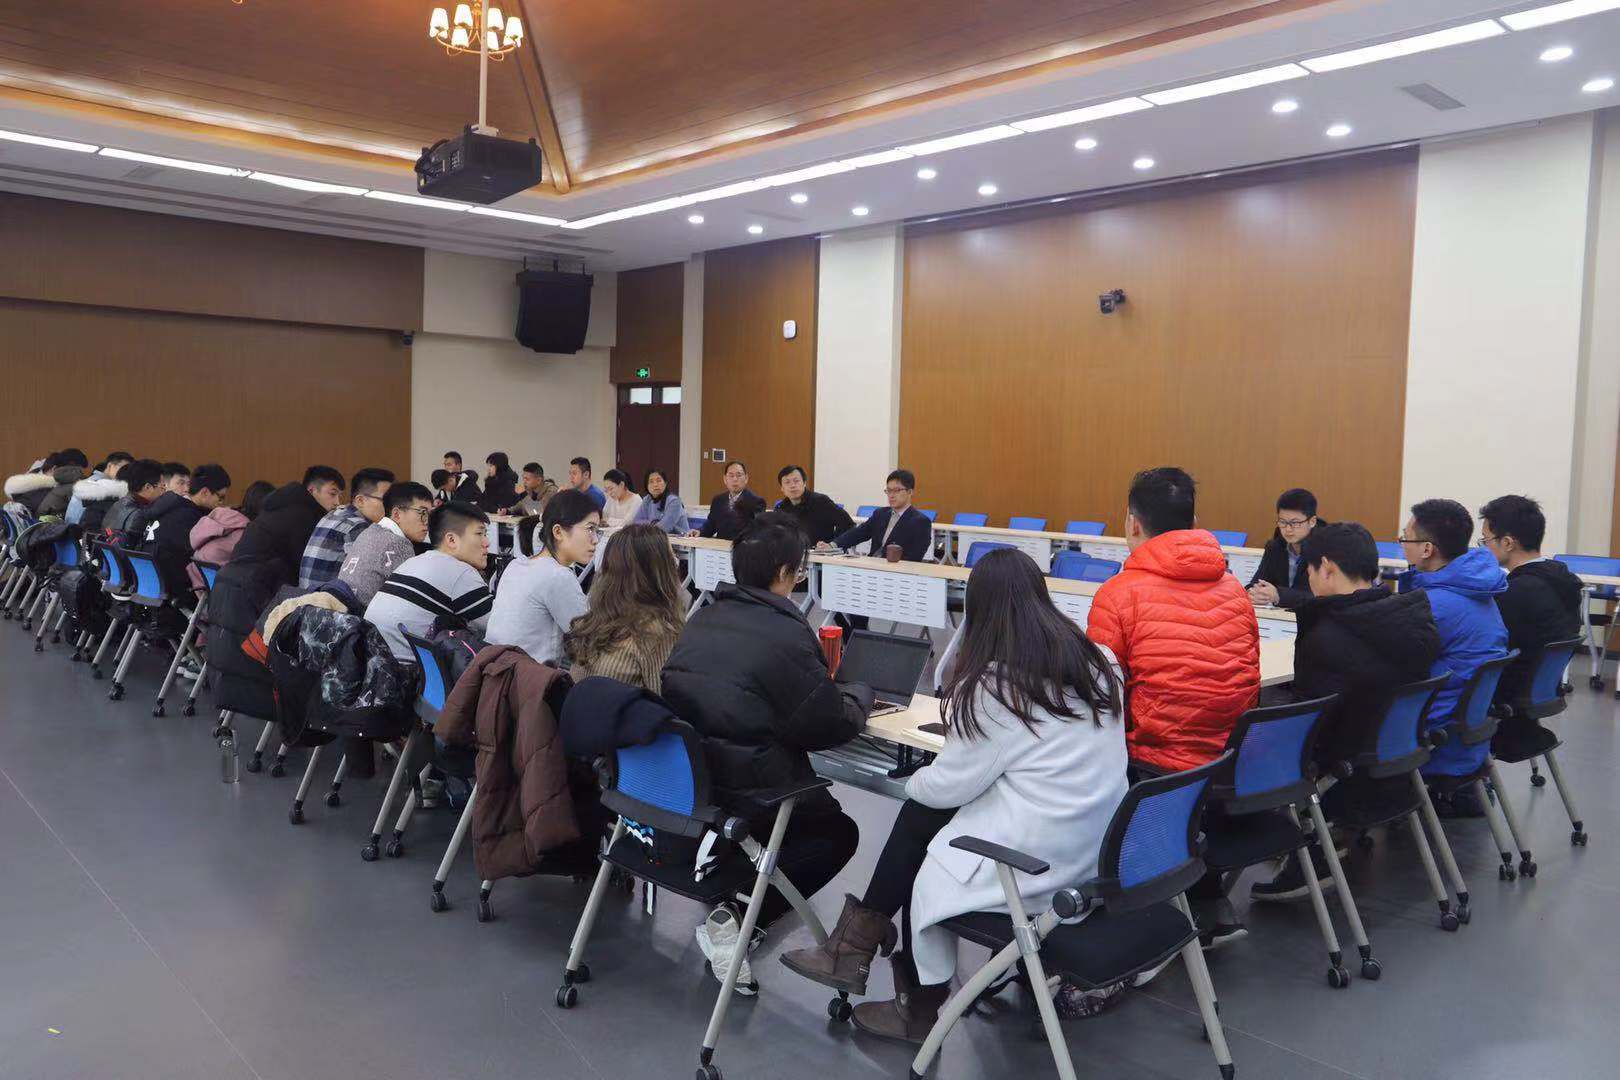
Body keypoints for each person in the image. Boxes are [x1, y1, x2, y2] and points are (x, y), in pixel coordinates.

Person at [781, 548, 1128, 1041]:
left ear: (977, 612)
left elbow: (946, 786)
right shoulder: (1101, 662)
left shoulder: (999, 689)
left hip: (1033, 866)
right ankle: (857, 947)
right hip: (1093, 849)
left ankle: (912, 1003)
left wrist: (912, 779)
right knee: (928, 816)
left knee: (925, 825)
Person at [661, 512, 873, 994]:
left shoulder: (702, 617)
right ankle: (739, 918)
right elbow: (827, 725)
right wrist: (860, 694)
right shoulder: (787, 633)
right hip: (752, 790)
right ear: (784, 573)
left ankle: (730, 899)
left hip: (696, 785)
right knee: (837, 832)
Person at [1086, 467, 1258, 944]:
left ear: (1132, 523)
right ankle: (1208, 900)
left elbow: (1101, 697)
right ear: (1193, 522)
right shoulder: (1234, 590)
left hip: (1153, 766)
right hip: (1226, 760)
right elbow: (1248, 681)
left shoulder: (1119, 594)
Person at [1249, 523, 1439, 903]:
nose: (1308, 579)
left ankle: (1304, 849)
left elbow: (1311, 727)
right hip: (1396, 764)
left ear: (1327, 568)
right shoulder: (1410, 615)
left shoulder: (1329, 636)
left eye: (1309, 569)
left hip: (1346, 775)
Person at [1396, 499, 1509, 811]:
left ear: (1427, 549)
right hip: (1465, 727)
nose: (1402, 544)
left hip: (1433, 729)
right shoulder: (1475, 590)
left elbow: (1386, 661)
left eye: (1406, 538)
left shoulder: (1436, 605)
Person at [1478, 495, 1583, 715]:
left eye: (1485, 540)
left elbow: (1487, 648)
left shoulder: (1516, 592)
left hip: (1507, 693)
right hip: (1539, 689)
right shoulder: (1563, 580)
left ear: (1507, 543)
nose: (1482, 548)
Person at [364, 501, 493, 660]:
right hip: (409, 670)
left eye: (486, 534)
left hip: (374, 664)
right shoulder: (460, 573)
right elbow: (500, 629)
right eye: (479, 534)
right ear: (451, 540)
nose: (487, 543)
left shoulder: (413, 562)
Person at [565, 523, 684, 693]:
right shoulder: (655, 633)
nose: (676, 564)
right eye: (672, 559)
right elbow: (665, 700)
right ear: (660, 573)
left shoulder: (593, 621)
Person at [486, 489, 598, 666]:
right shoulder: (557, 576)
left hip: (496, 672)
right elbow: (590, 638)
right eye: (590, 529)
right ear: (558, 532)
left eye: (597, 530)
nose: (596, 539)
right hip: (530, 678)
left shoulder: (517, 565)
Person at [230, 466, 346, 587]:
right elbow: (305, 570)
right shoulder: (301, 516)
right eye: (333, 494)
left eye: (340, 496)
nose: (337, 503)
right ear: (312, 491)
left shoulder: (282, 506)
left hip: (232, 580)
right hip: (253, 586)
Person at [339, 481, 434, 606]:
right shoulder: (398, 543)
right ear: (397, 514)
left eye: (430, 514)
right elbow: (414, 599)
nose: (427, 522)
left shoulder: (369, 531)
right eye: (423, 513)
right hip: (363, 616)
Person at [143, 464, 231, 597]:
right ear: (205, 492)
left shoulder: (166, 507)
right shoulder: (190, 518)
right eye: (221, 497)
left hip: (151, 584)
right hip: (175, 589)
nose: (221, 503)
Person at [298, 467, 394, 588]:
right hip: (325, 598)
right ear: (360, 500)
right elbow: (365, 579)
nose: (392, 507)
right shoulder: (358, 526)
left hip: (307, 596)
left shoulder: (334, 514)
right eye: (385, 500)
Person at [824, 469, 930, 560]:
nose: (891, 495)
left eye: (897, 490)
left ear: (910, 492)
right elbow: (859, 533)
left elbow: (915, 557)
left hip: (896, 572)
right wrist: (832, 545)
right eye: (889, 490)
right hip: (872, 566)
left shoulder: (920, 522)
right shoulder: (881, 514)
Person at [1247, 488, 1320, 610]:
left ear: (1312, 522)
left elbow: (1318, 598)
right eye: (1283, 522)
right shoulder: (1274, 547)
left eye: (1295, 523)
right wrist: (1253, 593)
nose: (1288, 529)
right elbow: (1257, 582)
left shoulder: (1324, 550)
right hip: (1280, 618)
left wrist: (1279, 595)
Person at [775, 465, 854, 546]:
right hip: (793, 552)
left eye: (796, 481)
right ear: (782, 488)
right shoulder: (781, 508)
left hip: (821, 552)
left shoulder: (821, 501)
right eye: (787, 482)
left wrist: (833, 544)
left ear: (804, 483)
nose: (792, 486)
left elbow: (848, 524)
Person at [694, 460, 766, 542]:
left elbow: (758, 531)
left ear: (746, 478)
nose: (735, 479)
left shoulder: (756, 501)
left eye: (739, 475)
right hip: (720, 547)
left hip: (742, 547)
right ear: (725, 479)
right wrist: (699, 531)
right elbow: (711, 525)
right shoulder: (718, 500)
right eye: (731, 475)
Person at [101, 459, 164, 543]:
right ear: (148, 487)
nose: (164, 491)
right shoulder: (141, 515)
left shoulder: (118, 504)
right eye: (162, 487)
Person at [70, 453, 133, 532]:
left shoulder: (91, 482)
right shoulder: (102, 487)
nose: (126, 472)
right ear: (110, 466)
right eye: (123, 468)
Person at [630, 468, 690, 534]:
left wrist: (647, 525)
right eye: (651, 482)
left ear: (665, 483)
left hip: (679, 538)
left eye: (658, 481)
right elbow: (636, 522)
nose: (655, 485)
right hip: (654, 536)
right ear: (647, 486)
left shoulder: (674, 501)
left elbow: (665, 527)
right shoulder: (647, 500)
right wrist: (652, 523)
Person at [35, 448, 91, 520]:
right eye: (81, 470)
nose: (82, 473)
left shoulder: (62, 479)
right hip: (50, 521)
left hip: (43, 519)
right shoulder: (74, 483)